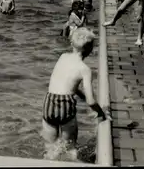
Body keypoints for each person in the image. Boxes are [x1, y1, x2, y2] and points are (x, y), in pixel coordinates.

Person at [42, 27, 109, 161]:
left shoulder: (62, 57)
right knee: (70, 146)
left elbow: (65, 83)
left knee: (50, 146)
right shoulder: (84, 69)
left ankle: (47, 161)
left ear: (71, 44)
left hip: (49, 102)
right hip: (66, 105)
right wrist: (101, 114)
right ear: (90, 50)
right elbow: (91, 101)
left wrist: (81, 95)